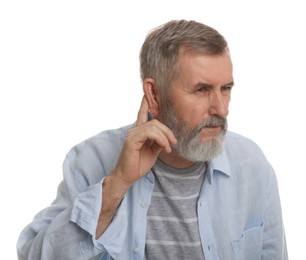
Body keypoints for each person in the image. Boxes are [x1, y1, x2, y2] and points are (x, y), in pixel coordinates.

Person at [17, 19, 288, 259]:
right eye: (202, 89)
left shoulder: (252, 165)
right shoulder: (90, 160)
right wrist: (117, 184)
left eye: (226, 89)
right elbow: (35, 255)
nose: (222, 109)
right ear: (154, 95)